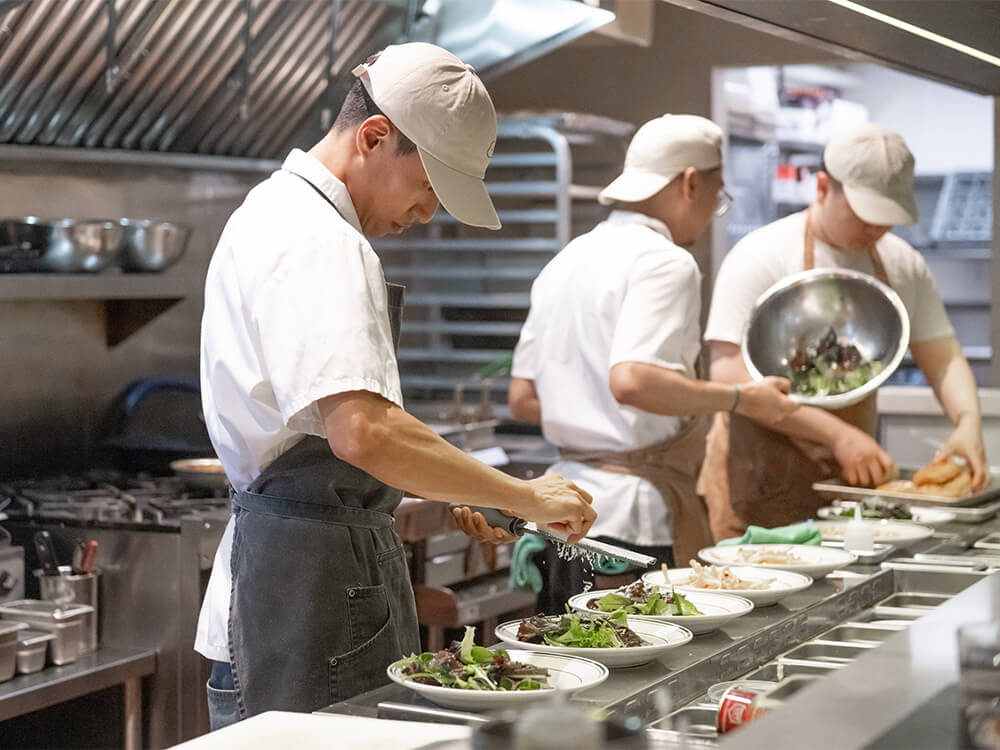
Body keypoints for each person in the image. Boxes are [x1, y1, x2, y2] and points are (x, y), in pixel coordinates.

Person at [195, 42, 595, 729]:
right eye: (430, 185)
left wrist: (460, 490)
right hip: (309, 606)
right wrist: (520, 493)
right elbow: (363, 430)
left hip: (287, 591)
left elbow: (321, 432)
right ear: (375, 137)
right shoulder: (322, 240)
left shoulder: (270, 212)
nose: (430, 211)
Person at [480, 114, 796, 610]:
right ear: (692, 182)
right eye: (719, 195)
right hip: (632, 523)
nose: (715, 208)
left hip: (564, 513)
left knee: (575, 677)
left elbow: (523, 399)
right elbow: (633, 380)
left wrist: (586, 409)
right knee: (648, 680)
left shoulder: (566, 260)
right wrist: (741, 399)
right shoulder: (666, 261)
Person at [702, 123, 988, 540]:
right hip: (757, 486)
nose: (877, 229)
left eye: (889, 218)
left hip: (848, 490)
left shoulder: (903, 265)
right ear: (822, 188)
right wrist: (836, 434)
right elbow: (729, 376)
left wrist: (967, 420)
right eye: (866, 214)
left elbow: (942, 355)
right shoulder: (759, 256)